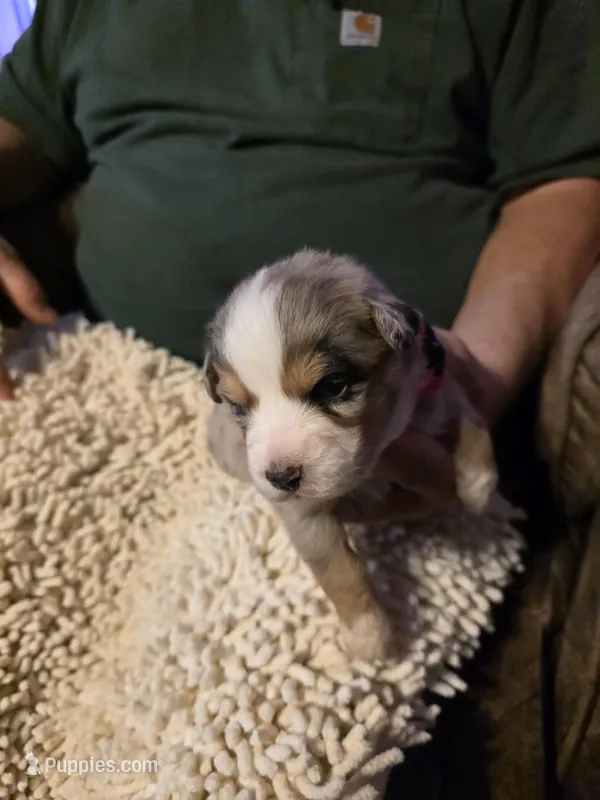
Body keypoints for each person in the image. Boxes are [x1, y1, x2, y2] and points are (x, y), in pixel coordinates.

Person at [1, 2, 599, 797]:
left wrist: (477, 381)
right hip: (105, 374)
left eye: (330, 393)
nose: (276, 459)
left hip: (464, 367)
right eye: (248, 408)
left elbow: (567, 185)